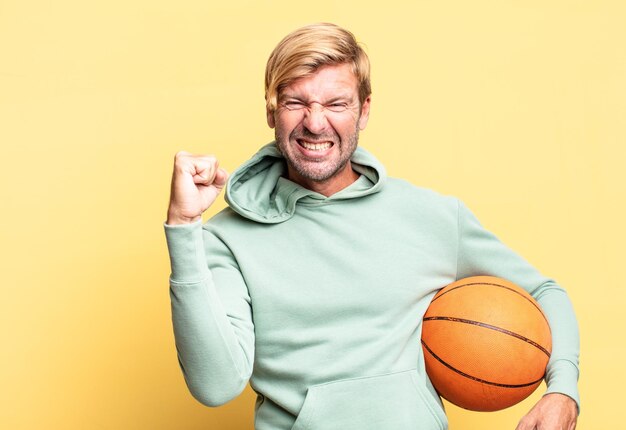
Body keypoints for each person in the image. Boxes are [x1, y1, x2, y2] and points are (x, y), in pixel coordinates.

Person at [164, 23, 580, 430]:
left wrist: (563, 390)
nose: (314, 122)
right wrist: (184, 229)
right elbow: (215, 386)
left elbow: (544, 293)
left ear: (364, 111)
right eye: (295, 102)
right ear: (272, 111)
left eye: (336, 104)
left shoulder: (430, 216)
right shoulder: (227, 238)